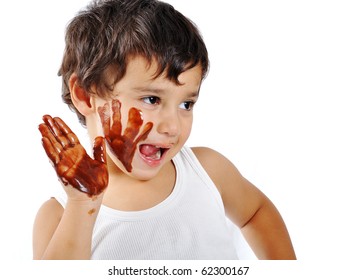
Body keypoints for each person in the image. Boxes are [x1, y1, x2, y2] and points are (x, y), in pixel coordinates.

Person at [33, 0, 296, 260]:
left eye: (186, 104)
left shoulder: (207, 172)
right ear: (86, 95)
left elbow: (256, 212)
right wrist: (83, 207)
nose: (172, 127)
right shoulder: (59, 215)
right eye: (151, 99)